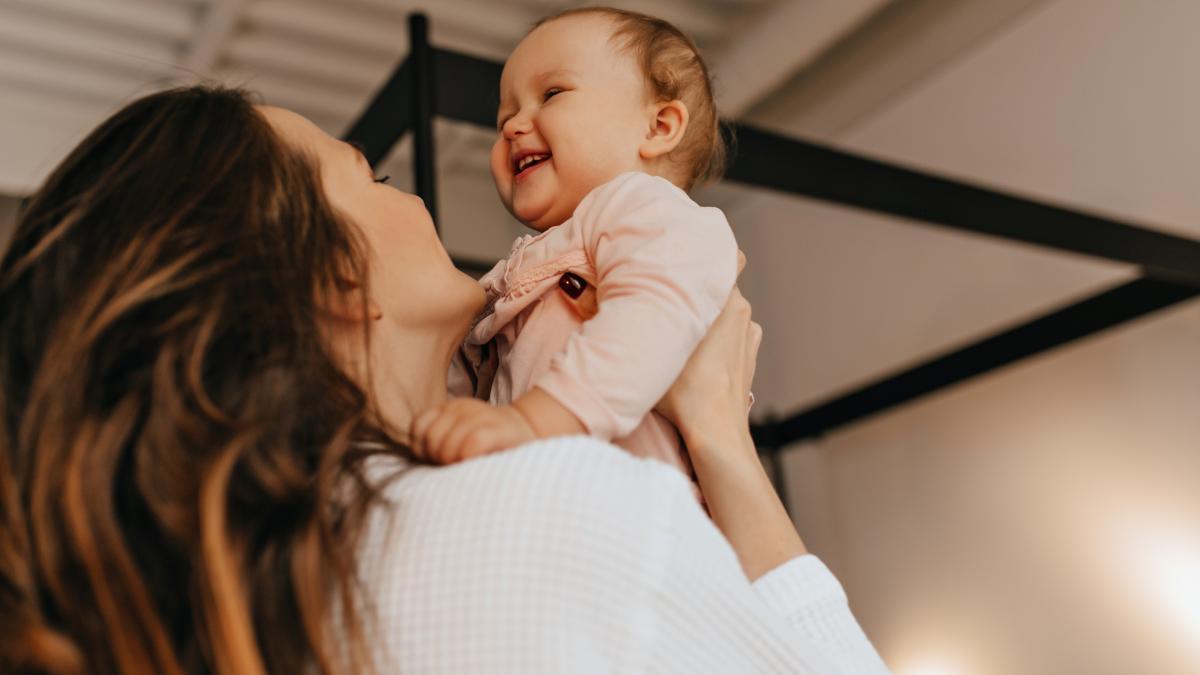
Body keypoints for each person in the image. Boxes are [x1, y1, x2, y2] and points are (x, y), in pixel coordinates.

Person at [0, 86, 890, 674]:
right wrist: (724, 446)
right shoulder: (550, 512)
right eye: (372, 177)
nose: (408, 195)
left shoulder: (231, 599)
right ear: (338, 275)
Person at [414, 8, 739, 500]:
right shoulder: (528, 262)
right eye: (504, 116)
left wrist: (536, 420)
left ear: (658, 127)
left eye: (552, 94)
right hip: (548, 498)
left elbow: (651, 318)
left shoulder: (649, 212)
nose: (513, 126)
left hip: (636, 505)